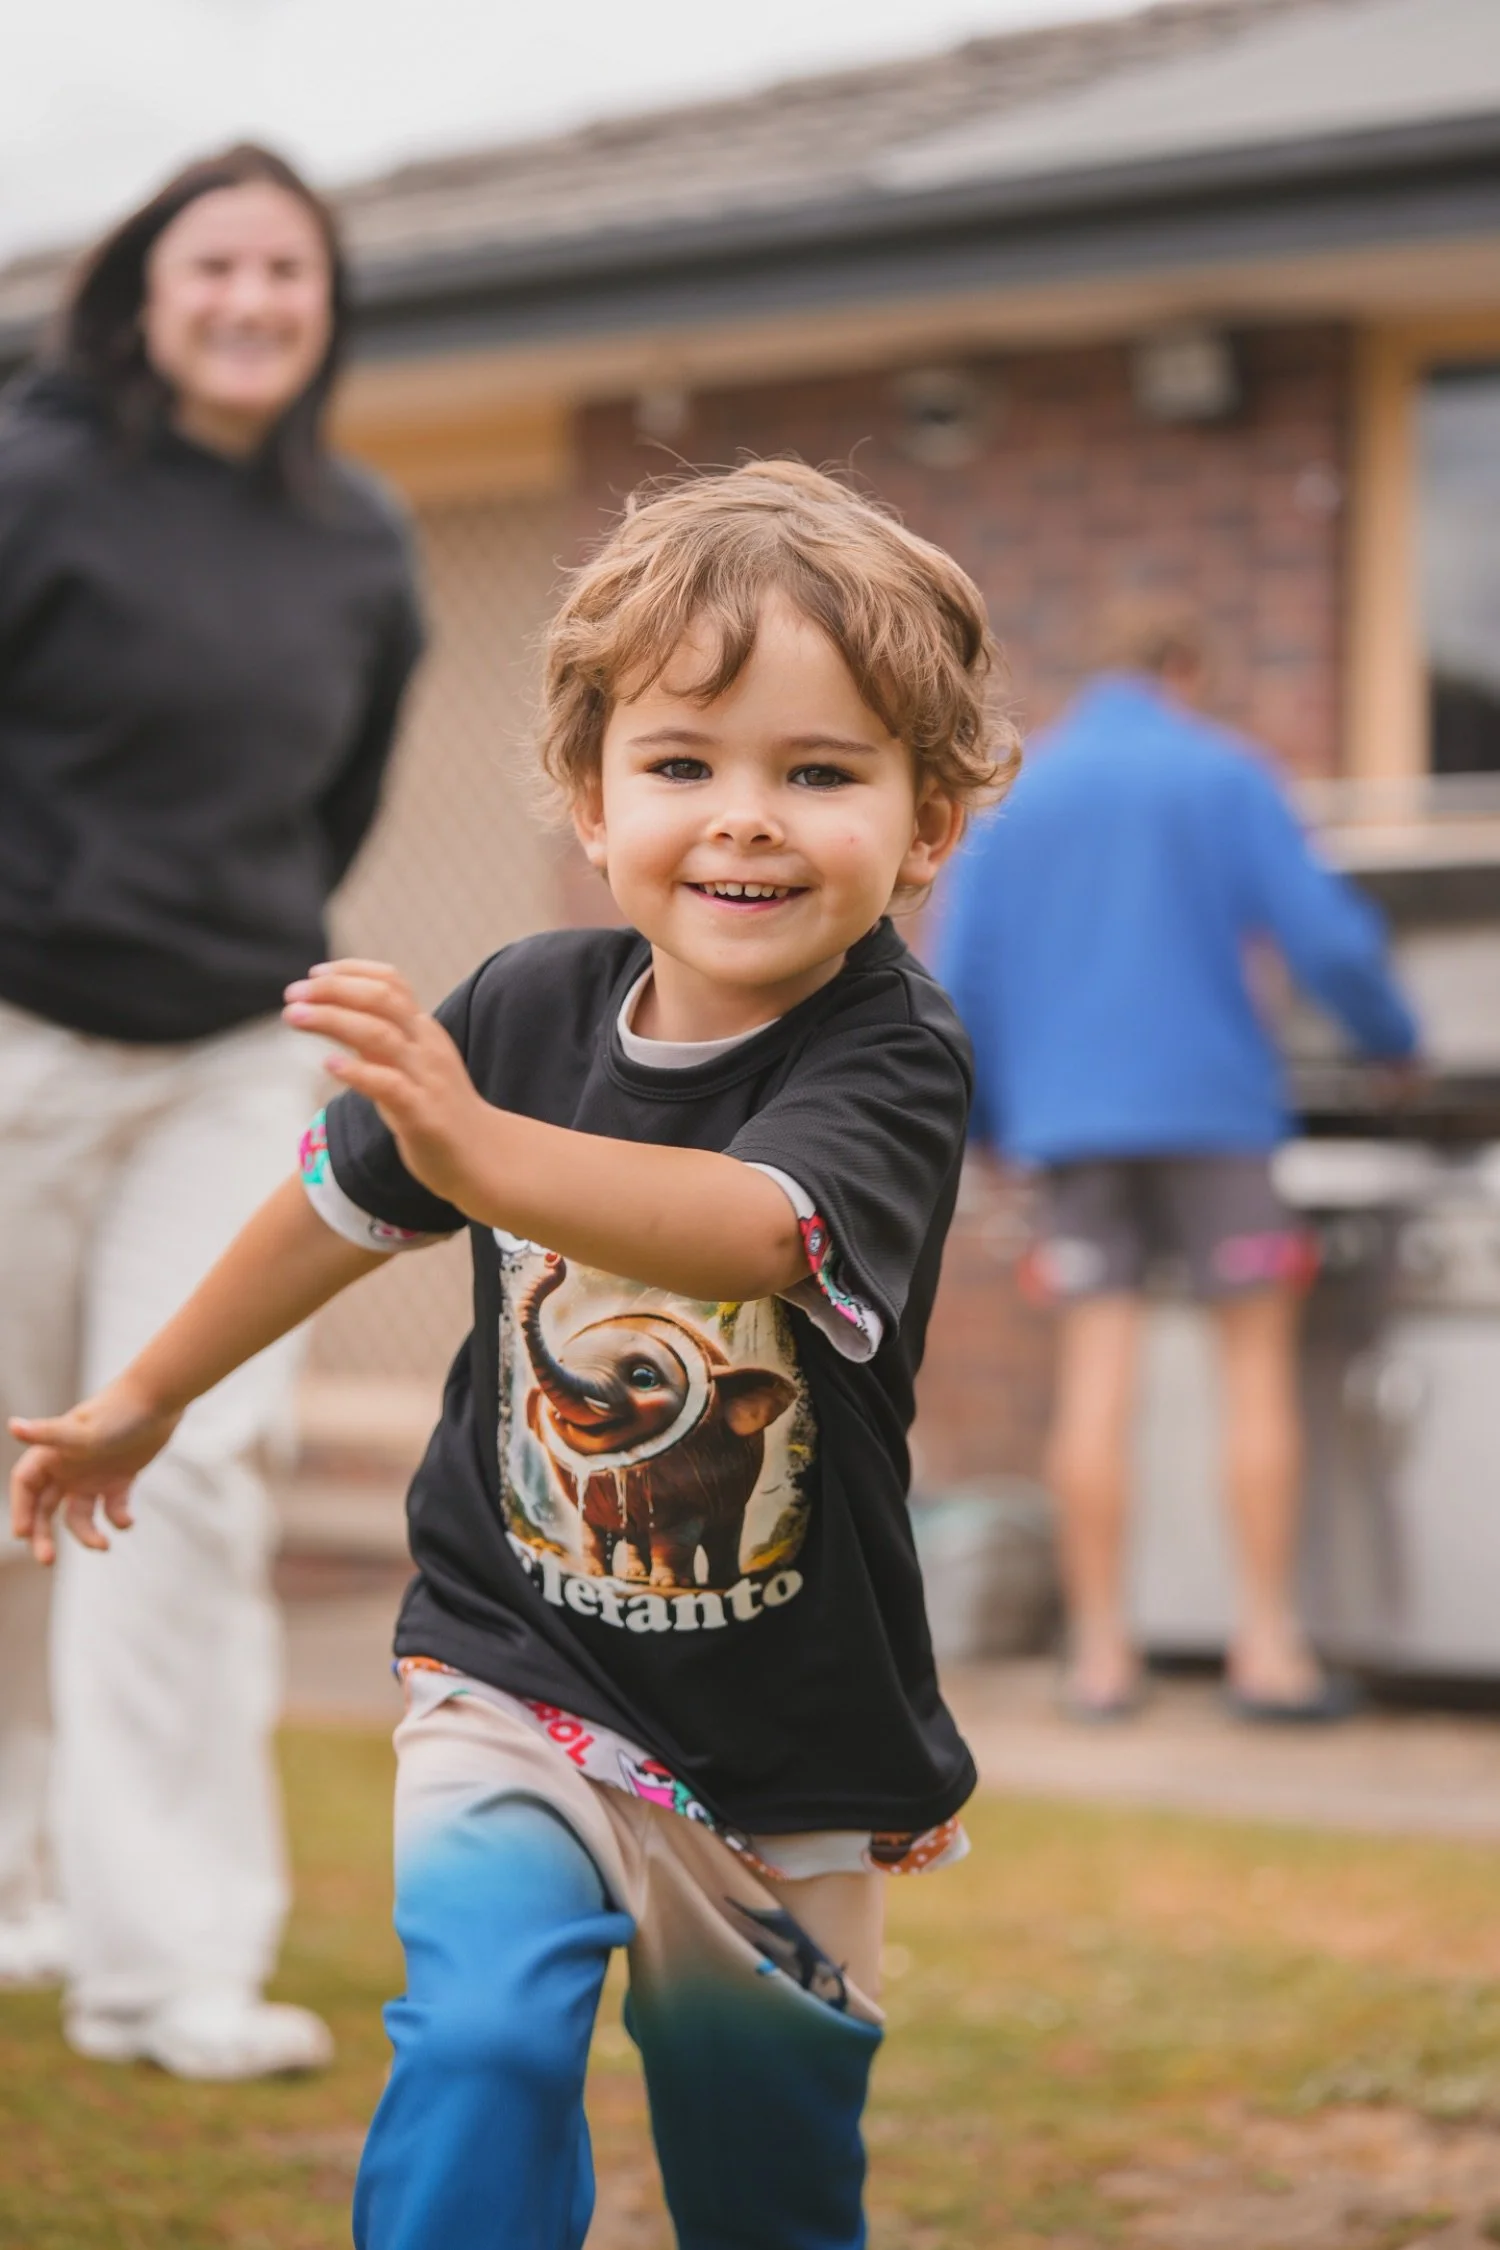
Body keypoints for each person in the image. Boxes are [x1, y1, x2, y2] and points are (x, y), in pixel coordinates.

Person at [10, 460, 1009, 2247]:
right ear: (587, 791)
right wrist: (141, 1401)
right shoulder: (520, 1012)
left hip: (786, 1748)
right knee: (475, 2040)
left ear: (927, 821)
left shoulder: (891, 1053)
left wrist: (482, 1152)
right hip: (514, 1659)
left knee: (763, 2173)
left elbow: (756, 1230)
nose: (746, 822)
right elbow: (337, 1206)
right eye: (685, 765)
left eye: (822, 772)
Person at [0, 144, 424, 2073]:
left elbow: (331, 812)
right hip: (19, 1041)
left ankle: (165, 1965)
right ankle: (29, 1876)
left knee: (169, 1479)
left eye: (290, 269)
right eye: (219, 264)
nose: (255, 298)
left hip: (230, 1060)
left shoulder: (363, 541)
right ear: (147, 291)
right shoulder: (34, 473)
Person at [937, 601, 1419, 1723]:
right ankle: (1268, 1651)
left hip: (1071, 1130)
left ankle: (1101, 1659)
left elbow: (961, 978)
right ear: (1186, 669)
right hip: (1217, 1119)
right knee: (1253, 1373)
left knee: (1094, 1379)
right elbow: (1331, 939)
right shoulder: (1226, 772)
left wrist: (992, 1126)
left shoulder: (1023, 796)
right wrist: (1395, 1044)